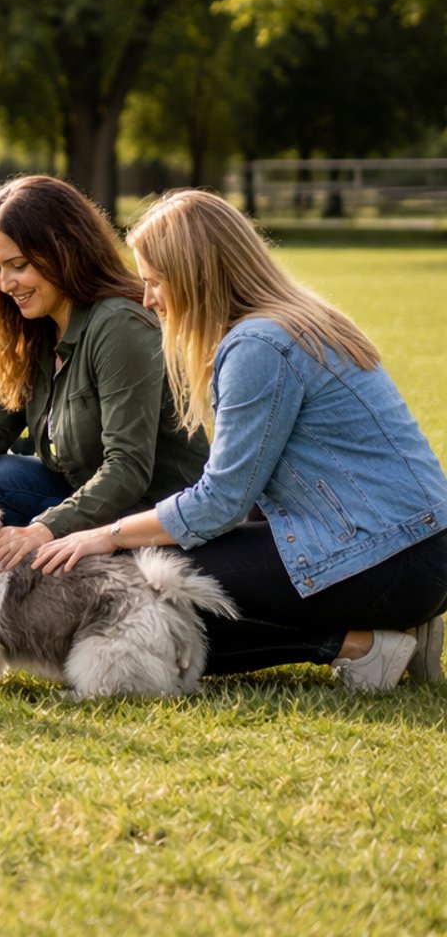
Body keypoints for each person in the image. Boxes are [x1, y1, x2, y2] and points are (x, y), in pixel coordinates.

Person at [33, 189, 447, 690]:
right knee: (149, 589)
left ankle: (361, 646)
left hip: (388, 558)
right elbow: (248, 493)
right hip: (412, 546)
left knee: (144, 595)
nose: (148, 299)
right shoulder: (299, 319)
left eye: (155, 282)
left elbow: (221, 501)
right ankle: (398, 625)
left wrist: (106, 534)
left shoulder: (258, 346)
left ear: (196, 278)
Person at [0, 174, 211, 656]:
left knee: (9, 485)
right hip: (85, 494)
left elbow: (127, 469)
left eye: (19, 265)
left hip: (151, 514)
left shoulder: (121, 324)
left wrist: (43, 530)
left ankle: (29, 624)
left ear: (65, 249)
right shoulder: (33, 328)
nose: (6, 283)